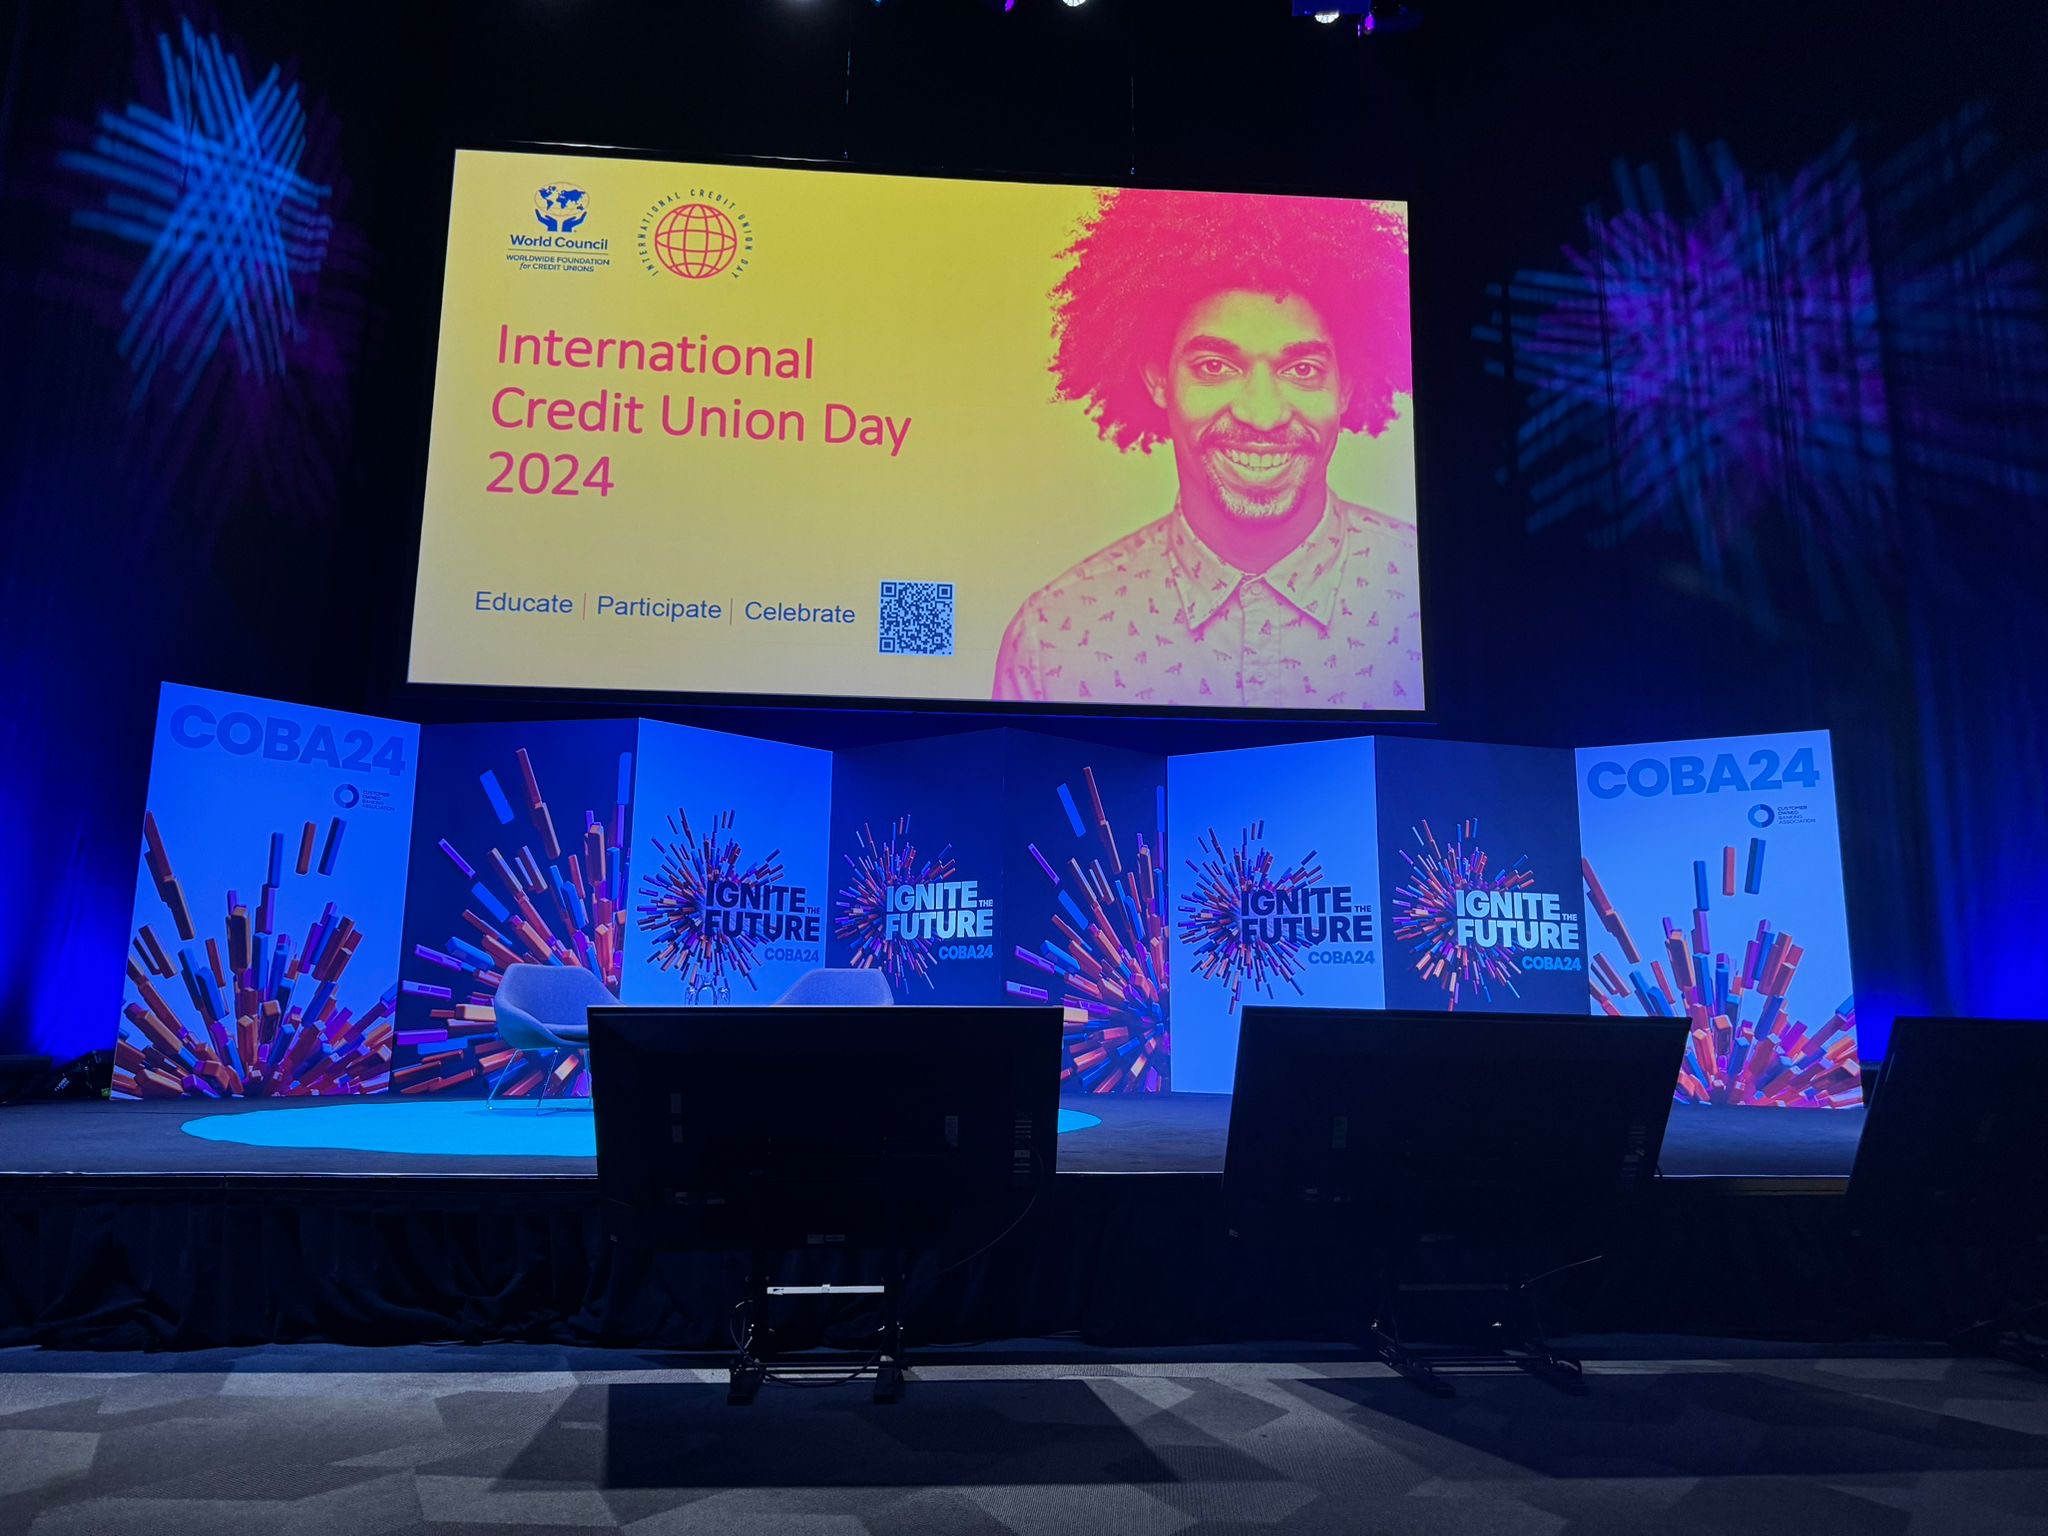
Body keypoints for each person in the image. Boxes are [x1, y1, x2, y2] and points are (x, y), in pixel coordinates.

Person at [993, 188, 1421, 709]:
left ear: (1345, 388)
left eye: (1302, 369)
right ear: (1158, 380)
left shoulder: (1431, 597)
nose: (1262, 415)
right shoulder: (1056, 639)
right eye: (1215, 367)